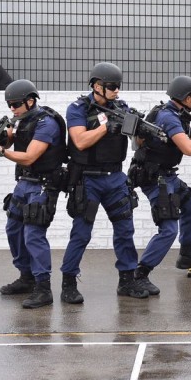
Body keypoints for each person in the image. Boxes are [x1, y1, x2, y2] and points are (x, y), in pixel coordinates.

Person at [59, 62, 149, 303]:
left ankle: (127, 280)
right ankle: (68, 281)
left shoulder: (121, 107)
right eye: (112, 87)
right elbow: (79, 141)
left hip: (115, 178)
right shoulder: (77, 108)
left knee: (125, 229)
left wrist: (140, 132)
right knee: (81, 233)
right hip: (88, 179)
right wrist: (106, 127)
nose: (117, 91)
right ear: (97, 86)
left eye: (118, 86)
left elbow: (136, 142)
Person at [128, 75, 191, 295]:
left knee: (190, 204)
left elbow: (185, 147)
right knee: (168, 229)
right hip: (155, 178)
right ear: (187, 97)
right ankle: (141, 273)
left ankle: (187, 253)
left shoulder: (172, 114)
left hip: (167, 176)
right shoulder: (169, 117)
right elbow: (187, 148)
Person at [0, 79, 68, 309]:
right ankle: (26, 277)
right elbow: (13, 138)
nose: (12, 109)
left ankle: (43, 287)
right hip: (24, 182)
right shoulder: (22, 120)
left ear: (30, 101)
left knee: (33, 235)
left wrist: (1, 151)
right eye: (9, 105)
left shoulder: (47, 123)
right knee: (13, 229)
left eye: (16, 104)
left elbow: (29, 157)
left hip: (43, 185)